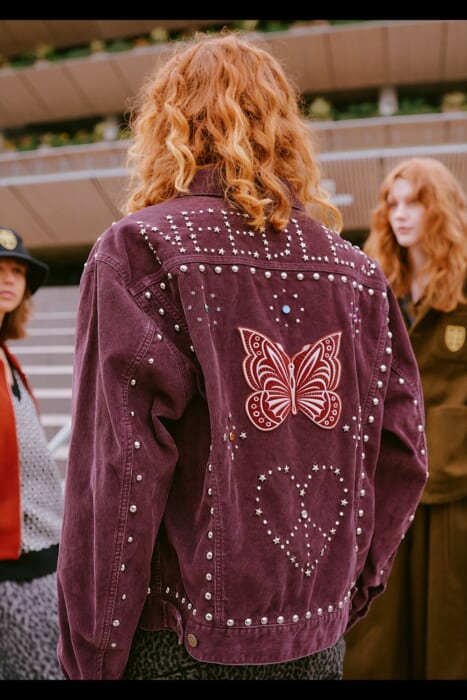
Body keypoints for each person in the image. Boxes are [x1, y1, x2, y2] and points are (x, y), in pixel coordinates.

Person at [56, 31, 428, 681]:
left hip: (179, 643)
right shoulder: (359, 274)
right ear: (283, 129)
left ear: (167, 126)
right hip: (318, 641)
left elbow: (117, 476)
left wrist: (91, 656)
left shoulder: (141, 251)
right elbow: (403, 451)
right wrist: (348, 593)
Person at [343, 156, 467, 680]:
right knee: (380, 631)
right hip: (388, 478)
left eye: (414, 202)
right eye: (392, 203)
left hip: (454, 485)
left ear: (441, 209)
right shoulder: (374, 286)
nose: (400, 214)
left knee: (450, 624)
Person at [0, 226, 64, 680]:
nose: (9, 278)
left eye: (18, 271)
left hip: (42, 559)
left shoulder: (8, 357)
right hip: (12, 574)